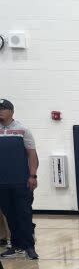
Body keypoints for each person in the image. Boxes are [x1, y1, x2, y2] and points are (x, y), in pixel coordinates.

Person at [0, 99, 39, 260]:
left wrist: (32, 175)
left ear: (11, 111)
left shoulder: (22, 130)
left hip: (21, 181)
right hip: (2, 183)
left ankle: (29, 246)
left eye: (3, 108)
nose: (0, 111)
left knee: (24, 214)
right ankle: (16, 246)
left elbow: (32, 154)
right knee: (10, 215)